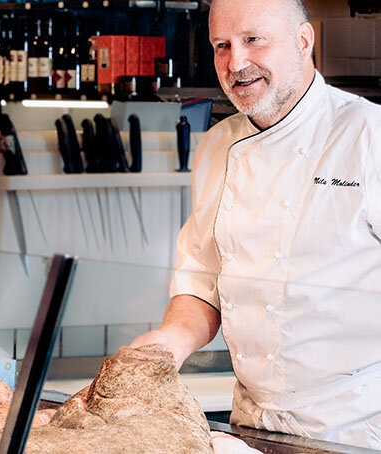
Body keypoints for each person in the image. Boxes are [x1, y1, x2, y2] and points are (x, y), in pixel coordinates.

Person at [130, 0, 381, 448]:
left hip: (356, 427)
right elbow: (202, 280)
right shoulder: (216, 146)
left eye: (253, 40)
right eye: (221, 45)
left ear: (304, 42)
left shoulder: (369, 137)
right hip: (254, 425)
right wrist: (169, 343)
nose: (236, 63)